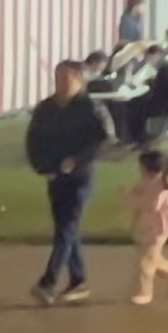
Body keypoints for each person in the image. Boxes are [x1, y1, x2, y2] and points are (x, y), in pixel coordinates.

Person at [24, 62, 107, 305]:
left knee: (67, 228)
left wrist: (77, 160)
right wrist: (43, 168)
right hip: (55, 177)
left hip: (80, 177)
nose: (61, 84)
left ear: (79, 80)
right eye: (58, 79)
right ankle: (79, 280)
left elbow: (102, 140)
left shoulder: (90, 107)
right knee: (66, 230)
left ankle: (48, 281)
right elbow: (33, 141)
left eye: (67, 80)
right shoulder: (45, 109)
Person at [126, 148, 168, 304]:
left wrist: (131, 199)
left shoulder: (163, 187)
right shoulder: (147, 181)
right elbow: (139, 191)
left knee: (146, 260)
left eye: (142, 168)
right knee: (152, 257)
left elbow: (151, 205)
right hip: (144, 223)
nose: (140, 171)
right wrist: (132, 194)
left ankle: (145, 292)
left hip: (158, 228)